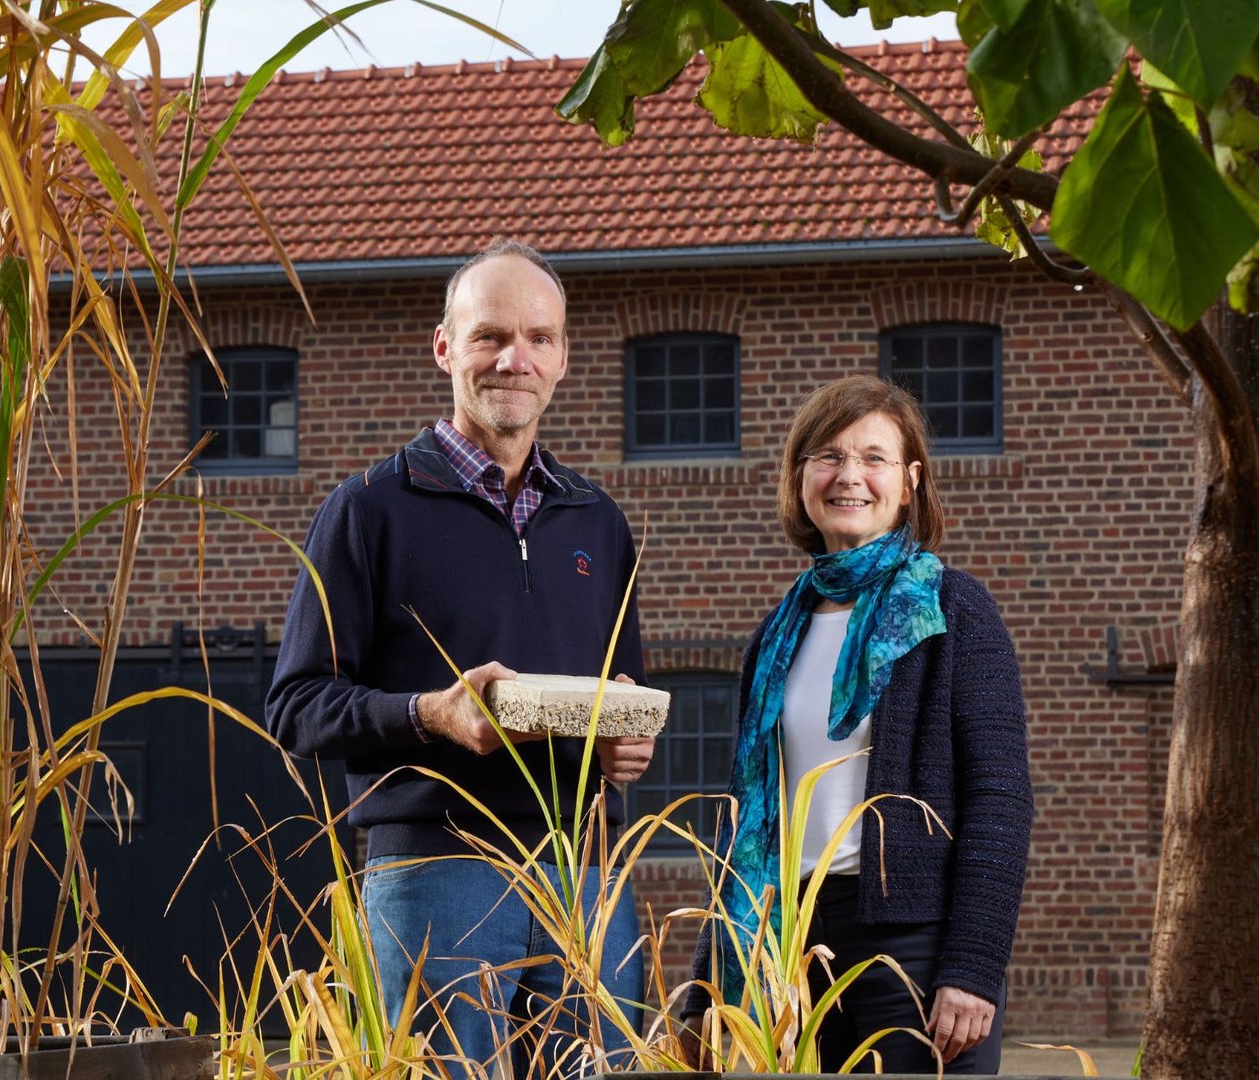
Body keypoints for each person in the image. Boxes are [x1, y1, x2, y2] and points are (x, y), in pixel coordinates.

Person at [265, 238, 655, 1076]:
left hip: (585, 875)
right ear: (445, 348)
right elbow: (296, 705)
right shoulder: (369, 510)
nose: (516, 358)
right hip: (435, 875)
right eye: (490, 336)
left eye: (539, 338)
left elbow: (621, 689)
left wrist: (626, 743)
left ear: (562, 359)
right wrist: (431, 714)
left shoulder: (598, 522)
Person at [682, 374, 1033, 1073]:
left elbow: (1001, 799)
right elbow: (749, 820)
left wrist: (974, 965)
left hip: (917, 949)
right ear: (801, 478)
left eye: (873, 458)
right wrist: (708, 987)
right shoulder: (776, 635)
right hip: (794, 949)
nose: (850, 476)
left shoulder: (953, 611)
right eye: (829, 456)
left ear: (910, 483)